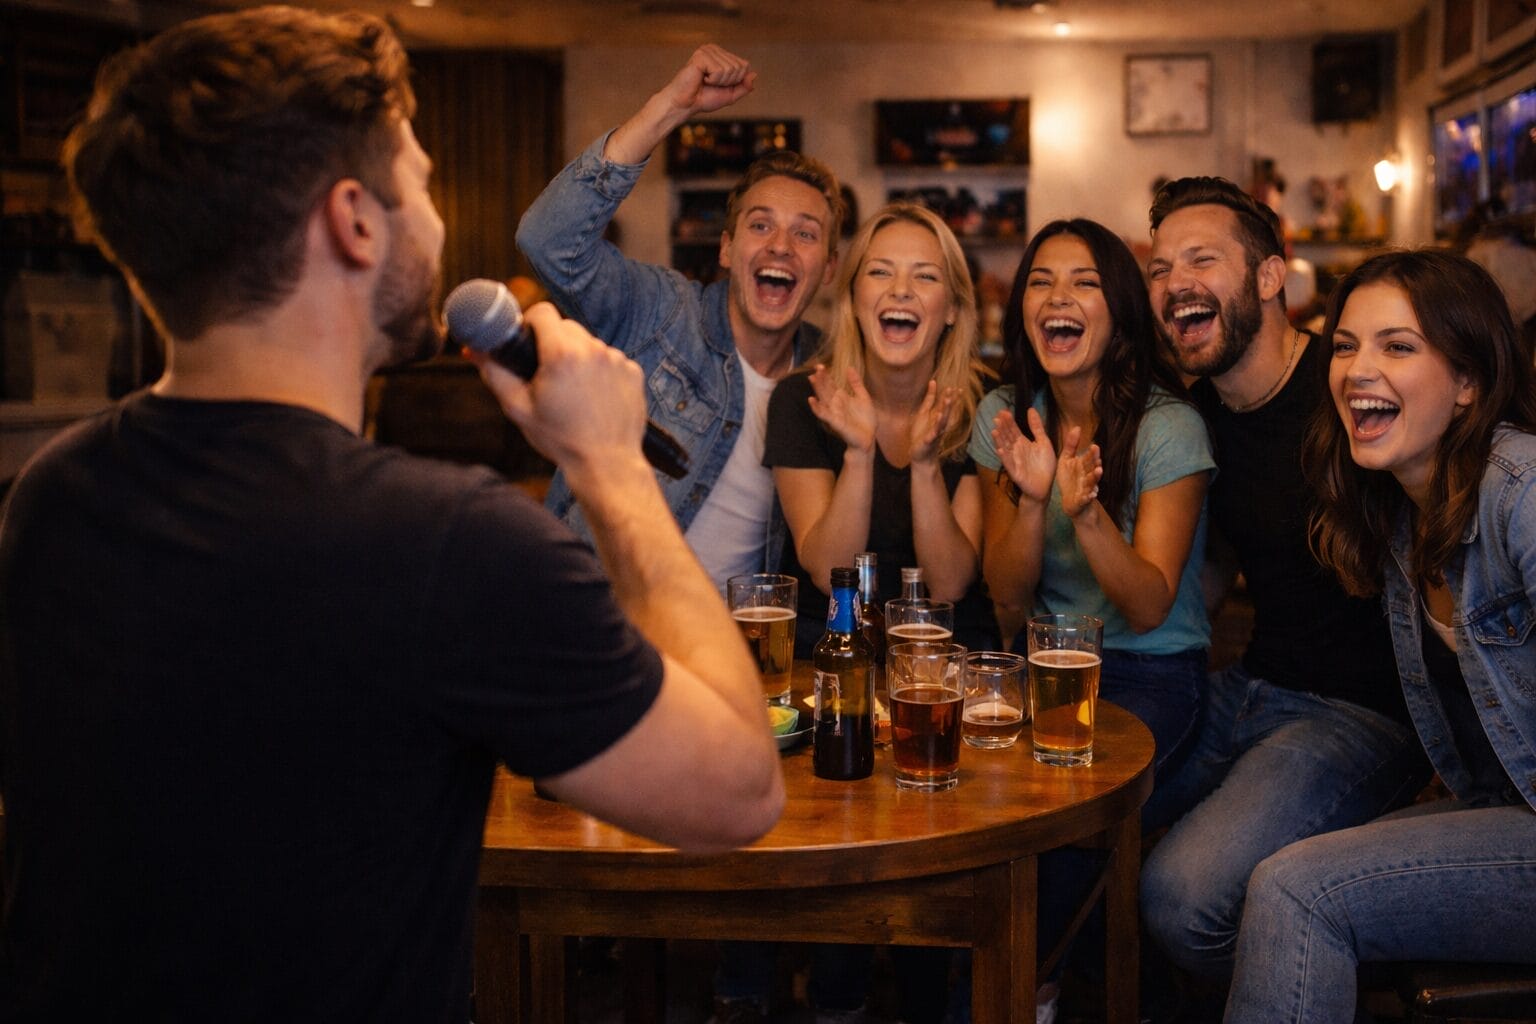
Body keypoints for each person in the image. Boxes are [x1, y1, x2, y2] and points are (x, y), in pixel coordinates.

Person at [0, 8, 783, 1019]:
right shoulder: (447, 544)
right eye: (419, 178)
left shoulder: (49, 498)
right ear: (355, 221)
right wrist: (611, 463)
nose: (437, 215)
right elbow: (737, 791)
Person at [1137, 177, 1430, 1001]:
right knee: (1091, 822)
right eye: (1160, 268)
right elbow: (1213, 572)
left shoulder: (1349, 391)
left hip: (1361, 714)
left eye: (1202, 259)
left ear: (1270, 277)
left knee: (1180, 898)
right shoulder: (1195, 419)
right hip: (1250, 685)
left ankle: (1338, 972)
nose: (1175, 284)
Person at [1228, 249, 1536, 1022]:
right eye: (1345, 345)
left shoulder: (1521, 491)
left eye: (1398, 346)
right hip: (1507, 805)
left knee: (1298, 891)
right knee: (1276, 874)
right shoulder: (1402, 511)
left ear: (1468, 382)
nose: (1358, 369)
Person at [516, 44, 842, 594]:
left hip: (735, 644)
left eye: (805, 234)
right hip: (602, 620)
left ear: (828, 269)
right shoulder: (662, 311)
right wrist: (670, 107)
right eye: (760, 226)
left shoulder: (830, 375)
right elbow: (547, 241)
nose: (781, 247)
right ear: (725, 248)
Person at [970, 217, 1212, 775]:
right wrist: (1032, 501)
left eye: (1085, 282)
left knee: (1064, 828)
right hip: (1045, 665)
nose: (1058, 296)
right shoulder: (1005, 415)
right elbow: (1007, 592)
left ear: (1121, 312)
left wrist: (1085, 515)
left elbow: (1149, 609)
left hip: (1153, 672)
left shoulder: (1169, 427)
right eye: (1040, 281)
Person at [767, 202, 993, 656]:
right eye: (880, 273)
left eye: (926, 276)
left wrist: (926, 465)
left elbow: (948, 585)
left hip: (945, 657)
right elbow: (829, 573)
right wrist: (858, 453)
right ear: (852, 300)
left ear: (951, 308)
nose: (902, 291)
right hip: (830, 652)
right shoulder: (802, 398)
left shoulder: (984, 403)